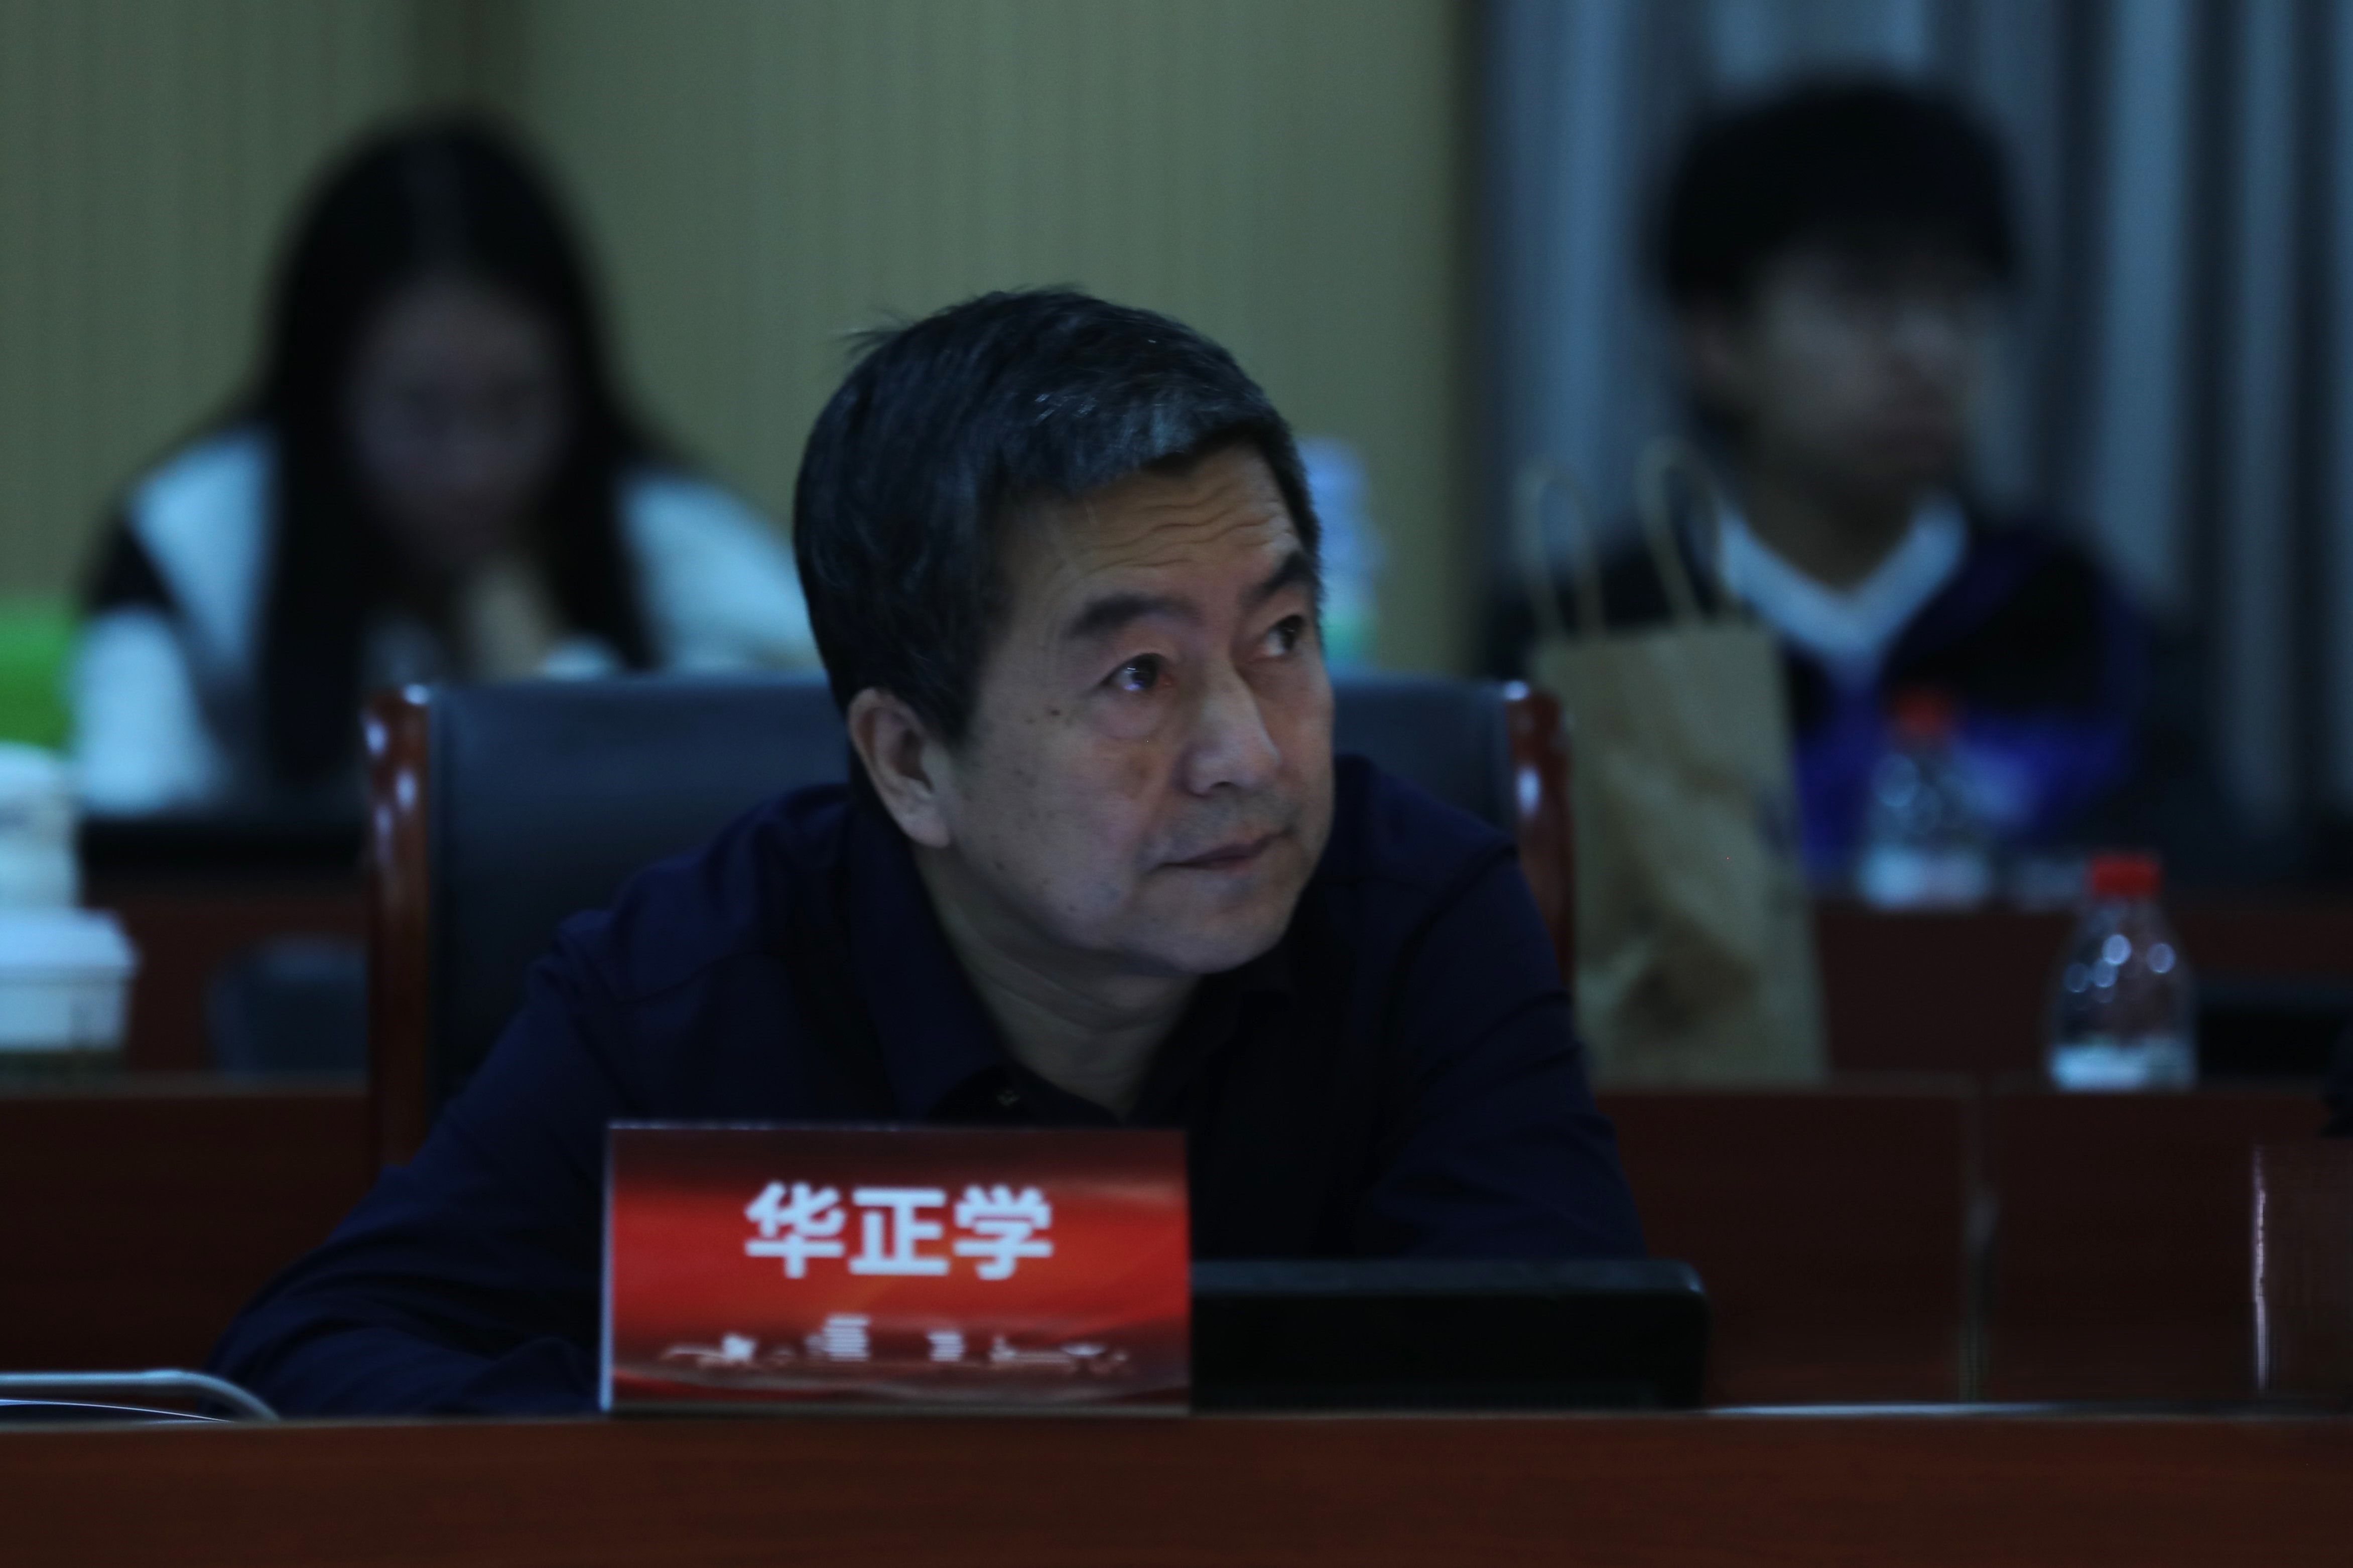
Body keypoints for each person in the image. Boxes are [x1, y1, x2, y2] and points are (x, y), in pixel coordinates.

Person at [209, 289, 1645, 1414]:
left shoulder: (1423, 918)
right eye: (1138, 675)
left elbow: (1575, 1388)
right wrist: (718, 1439)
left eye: (1281, 637)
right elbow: (312, 1357)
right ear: (909, 762)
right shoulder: (683, 989)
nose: (1250, 754)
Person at [71, 118, 816, 816]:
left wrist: (540, 669)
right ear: (327, 399)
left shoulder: (670, 537)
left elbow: (796, 778)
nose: (473, 469)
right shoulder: (192, 543)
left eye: (516, 405)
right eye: (420, 411)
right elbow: (128, 818)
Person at [1512, 81, 2150, 887]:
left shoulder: (2081, 626)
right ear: (1716, 340)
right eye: (1861, 297)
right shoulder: (1589, 639)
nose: (1928, 351)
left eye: (1959, 298)